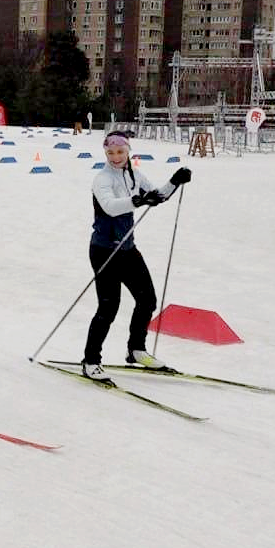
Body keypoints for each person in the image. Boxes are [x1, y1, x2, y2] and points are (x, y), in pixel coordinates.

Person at [81, 132, 192, 380]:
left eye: (120, 152)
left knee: (147, 300)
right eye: (110, 153)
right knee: (108, 308)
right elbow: (111, 207)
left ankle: (137, 350)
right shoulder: (102, 179)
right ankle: (90, 361)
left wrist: (174, 181)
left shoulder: (134, 175)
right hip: (104, 251)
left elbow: (158, 195)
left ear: (128, 151)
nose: (116, 157)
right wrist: (139, 200)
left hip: (127, 250)